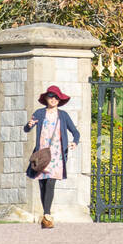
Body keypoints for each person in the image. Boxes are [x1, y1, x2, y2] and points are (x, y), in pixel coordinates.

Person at [24, 84, 80, 229]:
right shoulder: (40, 113)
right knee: (42, 184)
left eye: (56, 97)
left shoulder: (63, 115)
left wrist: (75, 142)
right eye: (51, 96)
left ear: (59, 99)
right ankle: (46, 214)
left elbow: (75, 132)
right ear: (46, 99)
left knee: (50, 182)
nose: (53, 99)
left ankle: (47, 215)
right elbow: (27, 128)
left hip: (57, 155)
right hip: (42, 154)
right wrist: (29, 124)